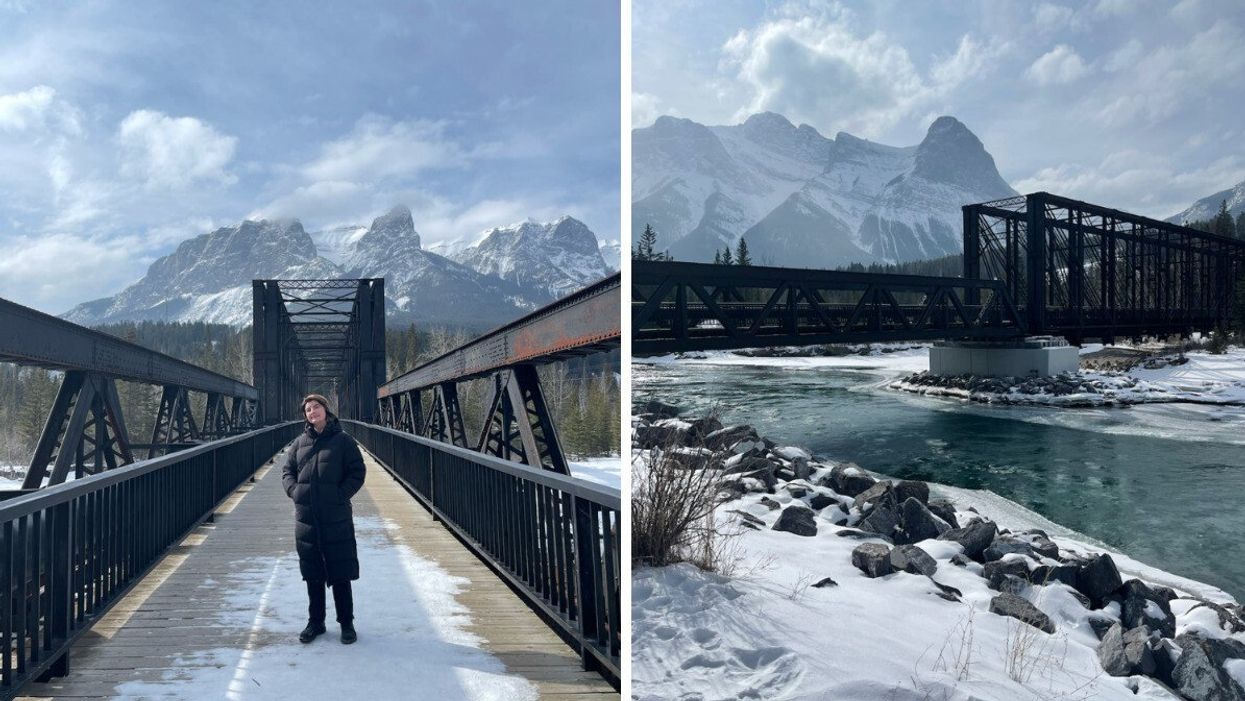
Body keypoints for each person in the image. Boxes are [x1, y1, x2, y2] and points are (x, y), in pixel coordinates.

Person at [281, 393, 366, 644]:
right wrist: (295, 492)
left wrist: (341, 495)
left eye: (316, 407)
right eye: (308, 409)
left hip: (335, 515)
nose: (312, 412)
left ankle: (347, 624)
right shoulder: (299, 443)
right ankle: (315, 622)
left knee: (340, 570)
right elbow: (287, 471)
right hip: (306, 517)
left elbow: (357, 471)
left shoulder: (343, 441)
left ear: (326, 411)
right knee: (313, 572)